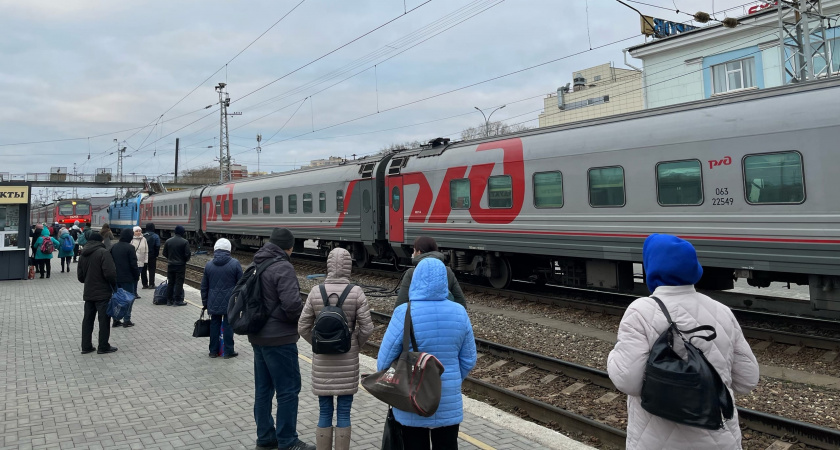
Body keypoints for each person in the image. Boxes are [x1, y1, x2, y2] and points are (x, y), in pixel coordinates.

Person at [607, 234, 760, 450]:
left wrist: (614, 355)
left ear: (650, 266)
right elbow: (747, 380)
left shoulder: (640, 311)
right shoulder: (722, 312)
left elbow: (627, 381)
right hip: (720, 441)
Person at [377, 258, 477, 450]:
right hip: (447, 402)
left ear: (416, 280)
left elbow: (382, 363)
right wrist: (449, 380)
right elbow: (469, 359)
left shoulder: (403, 312)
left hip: (411, 403)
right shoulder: (459, 312)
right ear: (444, 281)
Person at [298, 247, 374, 450]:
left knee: (324, 411)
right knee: (344, 411)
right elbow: (367, 327)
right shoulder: (356, 292)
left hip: (322, 361)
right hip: (347, 360)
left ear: (328, 266)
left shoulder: (316, 292)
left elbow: (303, 326)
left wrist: (317, 344)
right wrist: (354, 344)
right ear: (349, 267)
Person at [250, 228, 315, 450]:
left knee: (263, 390)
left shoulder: (256, 262)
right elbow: (291, 305)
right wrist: (301, 318)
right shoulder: (283, 266)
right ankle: (287, 440)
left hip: (258, 336)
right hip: (280, 339)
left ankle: (265, 437)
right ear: (289, 247)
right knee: (288, 390)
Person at [395, 236, 466, 309]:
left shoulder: (411, 273)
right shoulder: (447, 271)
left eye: (414, 251)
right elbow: (461, 302)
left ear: (419, 252)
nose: (413, 254)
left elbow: (400, 305)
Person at [200, 238, 242, 359]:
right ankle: (228, 351)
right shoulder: (235, 263)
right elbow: (241, 283)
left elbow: (204, 286)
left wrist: (205, 302)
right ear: (229, 249)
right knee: (229, 325)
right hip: (230, 301)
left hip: (213, 301)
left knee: (214, 324)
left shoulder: (209, 265)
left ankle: (213, 351)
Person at [77, 232, 118, 355]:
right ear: (100, 241)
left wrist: (89, 280)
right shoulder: (103, 252)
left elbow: (80, 277)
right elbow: (110, 273)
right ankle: (103, 346)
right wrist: (113, 285)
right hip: (103, 293)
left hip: (89, 292)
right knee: (104, 320)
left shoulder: (83, 254)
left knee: (88, 320)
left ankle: (86, 346)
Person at [110, 228, 140, 328]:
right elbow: (133, 264)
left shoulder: (113, 247)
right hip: (128, 278)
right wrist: (137, 276)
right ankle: (127, 320)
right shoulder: (130, 248)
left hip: (115, 278)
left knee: (117, 299)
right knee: (129, 299)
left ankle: (116, 319)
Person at [162, 225, 190, 306]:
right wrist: (184, 260)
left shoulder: (168, 241)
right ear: (182, 232)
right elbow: (187, 254)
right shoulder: (185, 242)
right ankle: (177, 300)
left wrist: (170, 258)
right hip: (180, 265)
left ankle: (168, 300)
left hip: (170, 265)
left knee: (170, 282)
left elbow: (164, 253)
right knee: (179, 283)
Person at [141, 223, 161, 289]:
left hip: (143, 255)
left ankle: (144, 284)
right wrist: (156, 254)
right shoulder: (155, 236)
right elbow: (157, 246)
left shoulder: (142, 236)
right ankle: (151, 284)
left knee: (143, 270)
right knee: (152, 269)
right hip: (152, 255)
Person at [130, 226, 149, 298]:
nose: (138, 232)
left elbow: (146, 251)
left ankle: (134, 292)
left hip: (141, 262)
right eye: (136, 231)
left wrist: (146, 261)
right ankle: (132, 292)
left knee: (137, 278)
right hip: (133, 262)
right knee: (133, 278)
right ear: (133, 232)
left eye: (139, 231)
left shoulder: (144, 239)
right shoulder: (131, 240)